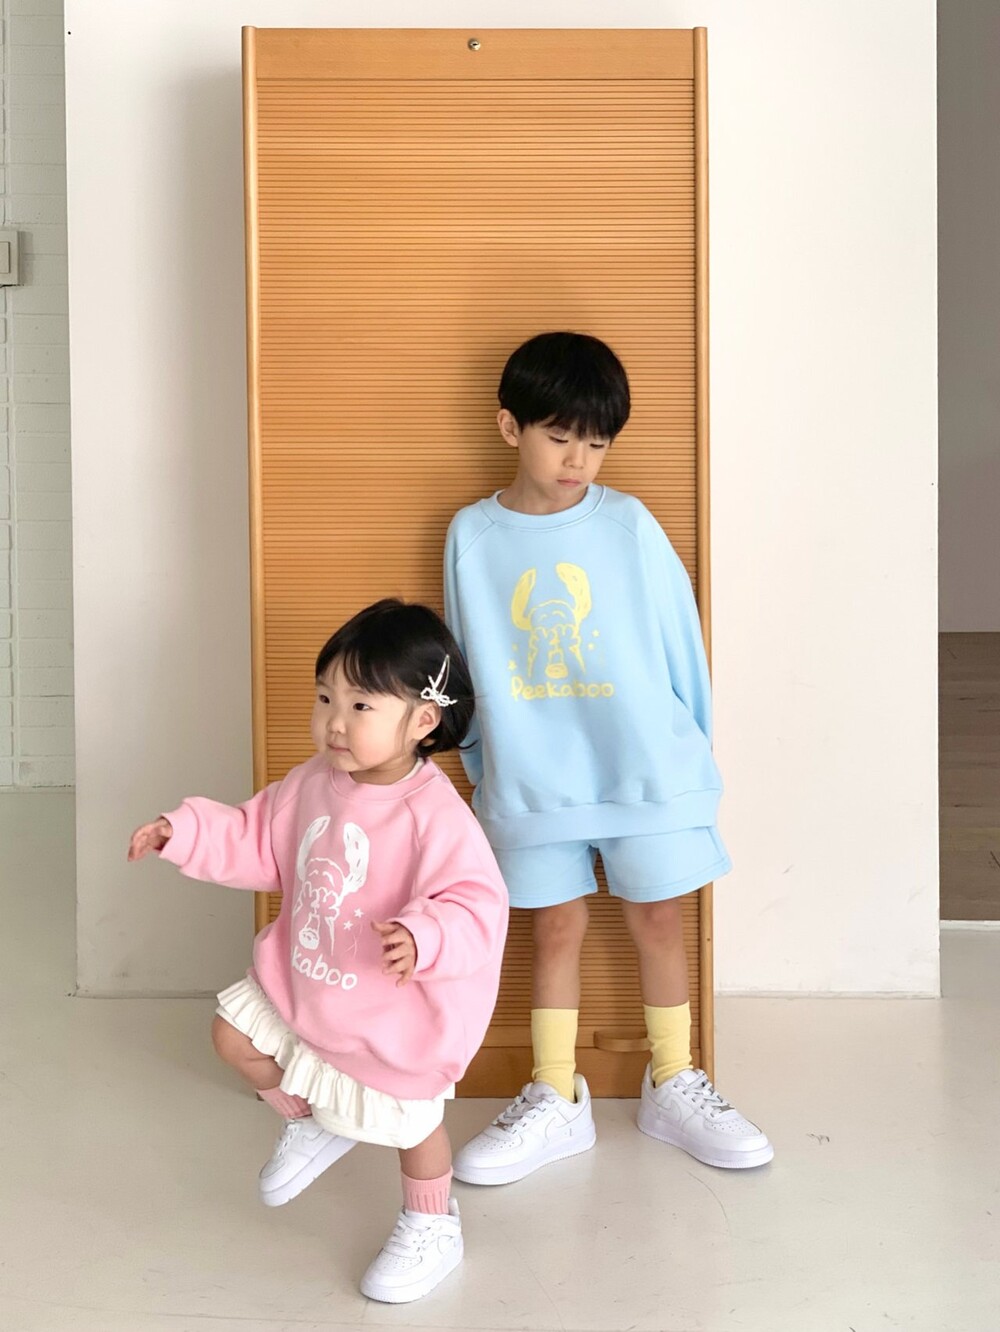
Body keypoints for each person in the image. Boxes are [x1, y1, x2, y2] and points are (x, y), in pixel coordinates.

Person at [443, 331, 772, 1186]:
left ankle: (676, 1079)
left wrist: (687, 755)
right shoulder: (472, 535)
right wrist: (484, 763)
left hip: (644, 770)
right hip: (532, 780)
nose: (578, 461)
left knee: (659, 916)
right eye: (561, 437)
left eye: (596, 442)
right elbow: (467, 658)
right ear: (510, 427)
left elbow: (680, 643)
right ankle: (555, 1094)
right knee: (552, 925)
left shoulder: (627, 524)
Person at [127, 599, 509, 1303]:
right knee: (231, 1037)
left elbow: (477, 904)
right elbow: (255, 838)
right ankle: (310, 1120)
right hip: (308, 981)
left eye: (361, 705)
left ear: (422, 720)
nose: (335, 720)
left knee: (413, 1125)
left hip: (387, 1009)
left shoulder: (434, 814)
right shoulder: (312, 782)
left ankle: (432, 1224)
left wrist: (424, 937)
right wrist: (184, 832)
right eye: (326, 697)